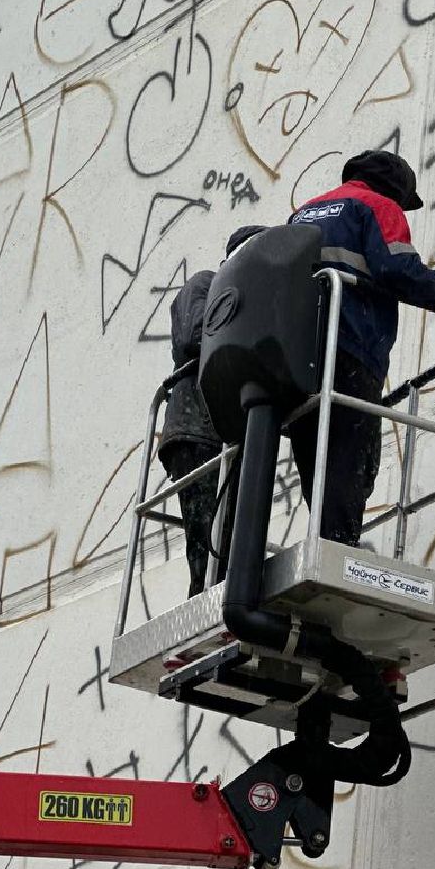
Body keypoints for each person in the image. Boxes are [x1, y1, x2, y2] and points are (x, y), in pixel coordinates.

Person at [286, 150, 435, 546]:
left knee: (316, 459)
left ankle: (328, 542)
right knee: (354, 460)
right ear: (395, 189)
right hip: (350, 349)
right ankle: (338, 548)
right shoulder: (378, 205)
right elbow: (398, 270)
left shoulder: (302, 214)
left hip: (297, 359)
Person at [159, 225, 266, 596]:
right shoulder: (206, 283)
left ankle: (218, 602)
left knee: (228, 539)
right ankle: (202, 611)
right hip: (195, 428)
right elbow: (192, 337)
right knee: (206, 544)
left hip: (222, 429)